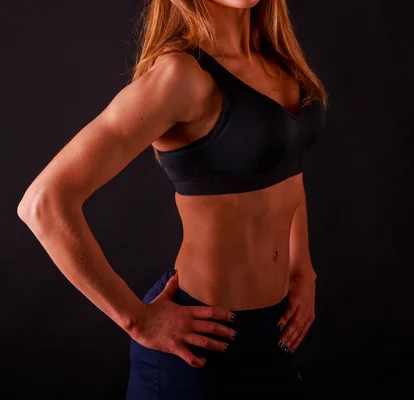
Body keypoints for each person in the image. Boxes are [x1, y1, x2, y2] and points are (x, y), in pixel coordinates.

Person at [16, 0, 327, 398]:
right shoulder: (181, 77)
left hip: (274, 337)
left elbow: (288, 163)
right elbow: (44, 203)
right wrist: (138, 320)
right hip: (201, 349)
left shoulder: (280, 61)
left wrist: (302, 268)